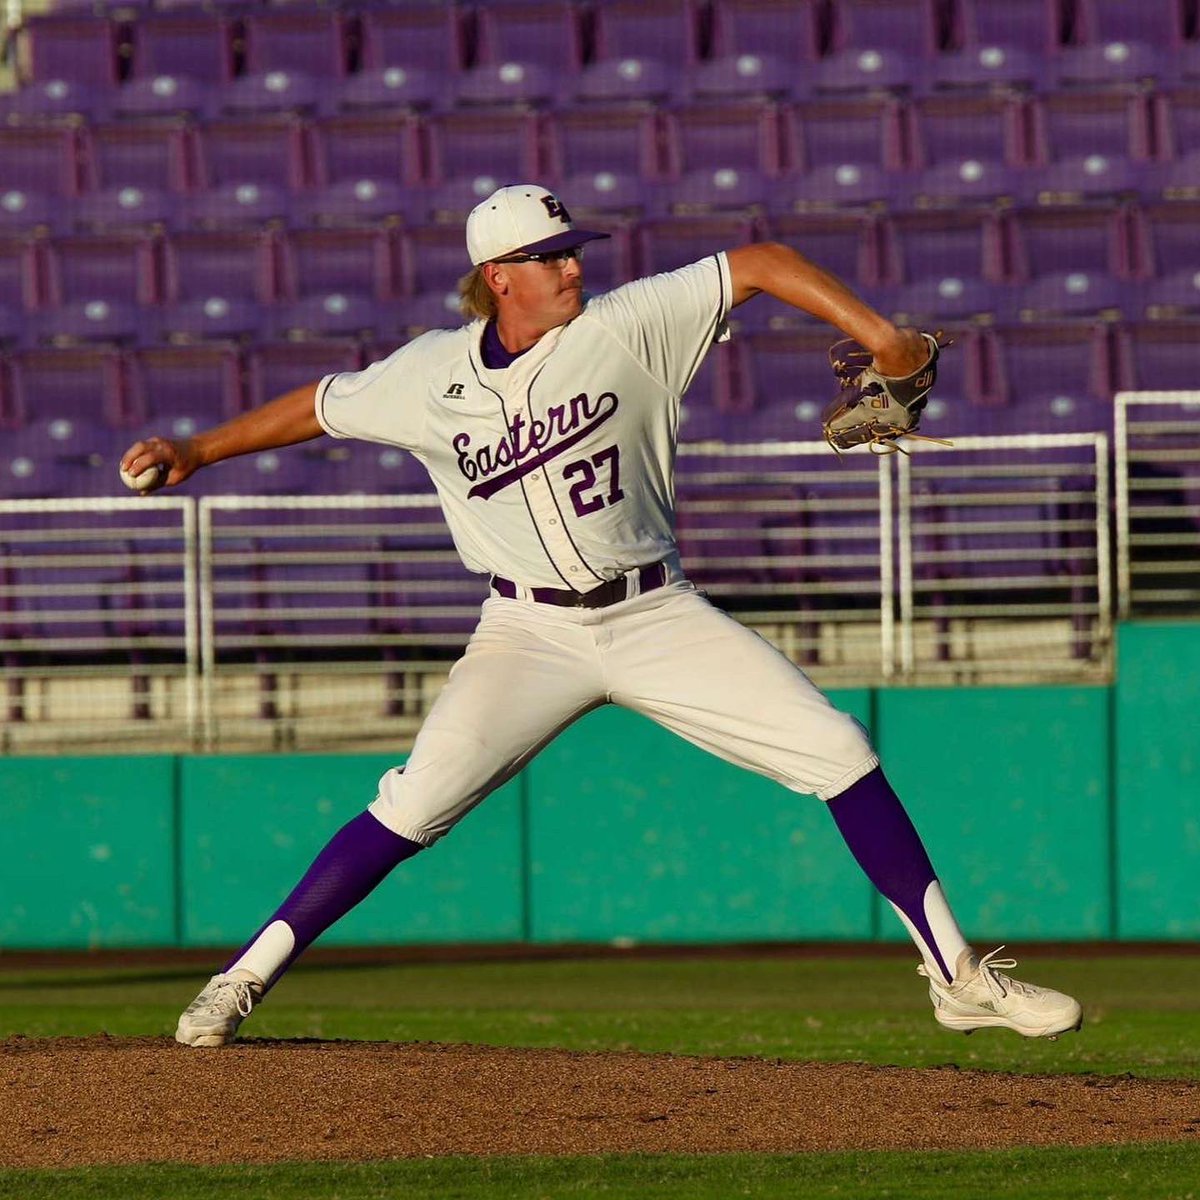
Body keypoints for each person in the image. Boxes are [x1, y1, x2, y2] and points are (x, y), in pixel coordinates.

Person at [121, 184, 1082, 1048]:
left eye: (573, 249)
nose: (574, 264)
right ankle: (239, 980)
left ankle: (957, 977)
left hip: (654, 611)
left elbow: (759, 264)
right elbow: (323, 407)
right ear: (499, 277)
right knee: (409, 808)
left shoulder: (629, 325)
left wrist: (883, 338)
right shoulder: (429, 375)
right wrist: (199, 451)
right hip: (526, 633)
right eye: (552, 255)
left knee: (838, 750)